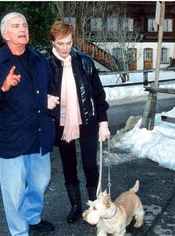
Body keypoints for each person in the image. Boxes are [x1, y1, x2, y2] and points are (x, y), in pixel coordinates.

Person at [0, 12, 56, 236]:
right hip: (12, 137)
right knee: (13, 190)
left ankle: (31, 216)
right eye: (16, 26)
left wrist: (50, 99)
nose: (23, 29)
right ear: (5, 33)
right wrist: (2, 87)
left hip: (38, 134)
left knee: (41, 180)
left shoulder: (39, 58)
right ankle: (19, 231)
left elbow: (49, 87)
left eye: (25, 25)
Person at [47, 20, 111, 224]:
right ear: (52, 43)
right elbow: (37, 92)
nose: (65, 48)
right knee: (69, 166)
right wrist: (44, 100)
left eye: (68, 42)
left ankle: (93, 204)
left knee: (90, 164)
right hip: (61, 123)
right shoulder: (46, 65)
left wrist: (103, 122)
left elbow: (99, 95)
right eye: (60, 43)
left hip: (87, 121)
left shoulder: (85, 61)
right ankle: (75, 205)